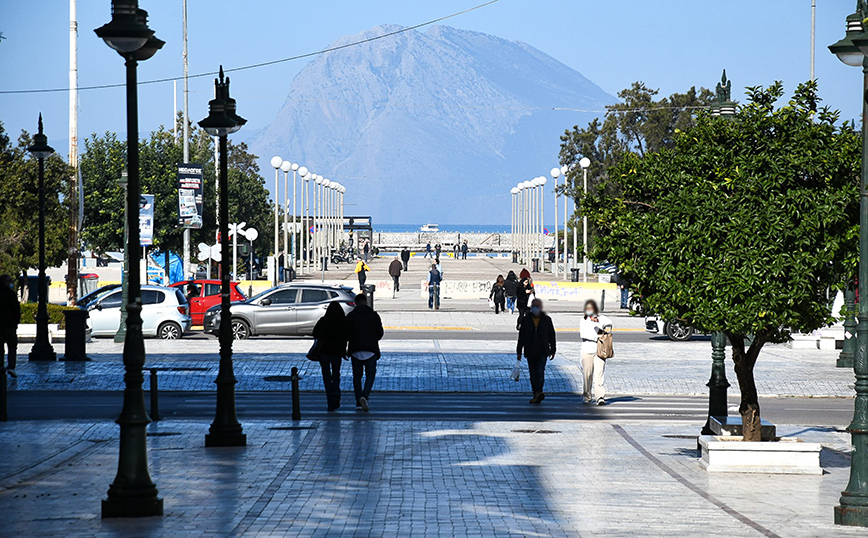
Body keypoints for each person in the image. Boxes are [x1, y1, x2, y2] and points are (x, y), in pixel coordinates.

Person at [346, 293, 383, 411]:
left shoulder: (351, 316)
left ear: (356, 303)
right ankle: (365, 395)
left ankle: (358, 401)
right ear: (366, 302)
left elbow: (346, 333)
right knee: (370, 375)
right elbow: (380, 333)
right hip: (370, 350)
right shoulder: (374, 315)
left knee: (357, 377)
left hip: (355, 350)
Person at [516, 298, 556, 404]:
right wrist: (519, 351)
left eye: (537, 306)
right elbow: (521, 336)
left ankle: (539, 391)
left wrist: (553, 350)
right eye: (534, 306)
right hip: (530, 350)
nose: (535, 308)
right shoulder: (526, 319)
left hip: (542, 350)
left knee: (540, 371)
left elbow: (552, 335)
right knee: (533, 373)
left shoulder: (547, 319)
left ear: (541, 308)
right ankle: (536, 392)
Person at [311, 302, 348, 411]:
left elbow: (315, 333)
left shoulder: (324, 320)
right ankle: (336, 393)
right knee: (336, 375)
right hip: (337, 353)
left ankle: (330, 402)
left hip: (324, 352)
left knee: (326, 377)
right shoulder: (342, 322)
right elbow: (346, 337)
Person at [580, 299, 613, 405]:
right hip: (587, 349)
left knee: (599, 374)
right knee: (587, 374)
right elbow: (584, 334)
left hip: (600, 350)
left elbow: (609, 324)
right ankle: (587, 395)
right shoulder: (584, 320)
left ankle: (600, 396)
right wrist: (599, 333)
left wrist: (601, 325)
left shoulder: (602, 319)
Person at [0, 275, 20, 378]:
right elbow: (16, 309)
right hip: (9, 325)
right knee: (12, 346)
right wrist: (16, 322)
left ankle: (1, 367)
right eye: (9, 281)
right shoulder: (10, 294)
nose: (10, 283)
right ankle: (11, 367)